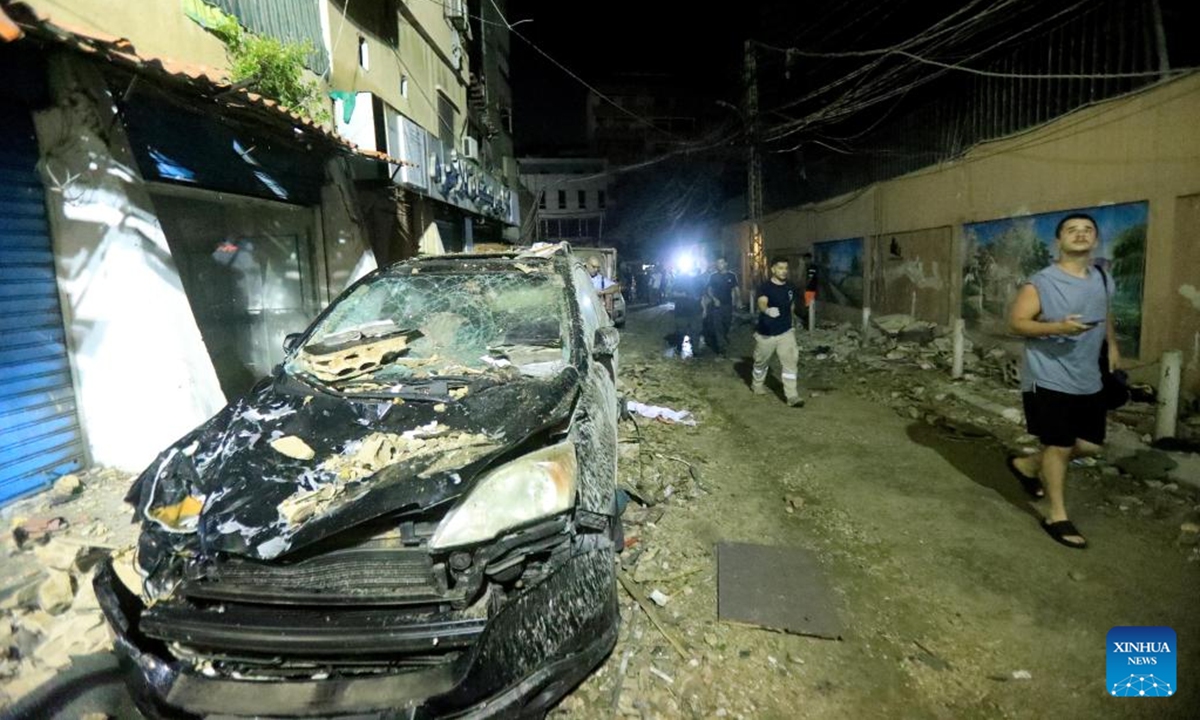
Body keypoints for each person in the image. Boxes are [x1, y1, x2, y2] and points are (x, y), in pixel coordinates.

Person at [1006, 213, 1120, 550]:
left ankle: (1025, 465)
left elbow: (1105, 311)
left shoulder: (1101, 276)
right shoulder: (1040, 282)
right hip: (1049, 375)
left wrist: (1111, 344)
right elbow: (1017, 323)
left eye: (1087, 230)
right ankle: (1057, 515)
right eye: (1072, 230)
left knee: (1091, 444)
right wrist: (1058, 327)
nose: (1081, 234)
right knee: (1059, 445)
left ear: (1095, 240)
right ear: (1059, 241)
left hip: (1088, 375)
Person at [752, 257, 803, 407]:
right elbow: (761, 302)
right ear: (773, 269)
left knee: (790, 363)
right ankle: (757, 384)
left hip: (785, 331)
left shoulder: (790, 287)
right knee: (761, 362)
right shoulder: (765, 287)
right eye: (780, 268)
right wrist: (767, 310)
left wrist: (793, 322)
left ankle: (792, 396)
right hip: (766, 333)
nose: (784, 271)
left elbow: (791, 306)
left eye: (786, 268)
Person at [705, 257, 739, 357]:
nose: (719, 265)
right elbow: (709, 290)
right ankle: (721, 348)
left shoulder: (731, 276)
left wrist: (738, 300)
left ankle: (724, 337)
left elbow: (736, 288)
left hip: (728, 305)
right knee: (718, 326)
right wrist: (714, 299)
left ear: (726, 264)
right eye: (718, 263)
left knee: (727, 324)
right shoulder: (713, 276)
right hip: (717, 306)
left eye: (721, 263)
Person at [671, 269, 704, 357]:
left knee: (696, 331)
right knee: (680, 331)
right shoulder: (680, 279)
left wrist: (704, 309)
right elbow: (673, 293)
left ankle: (695, 350)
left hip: (696, 311)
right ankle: (679, 348)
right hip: (682, 311)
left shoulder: (699, 281)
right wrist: (684, 295)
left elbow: (702, 296)